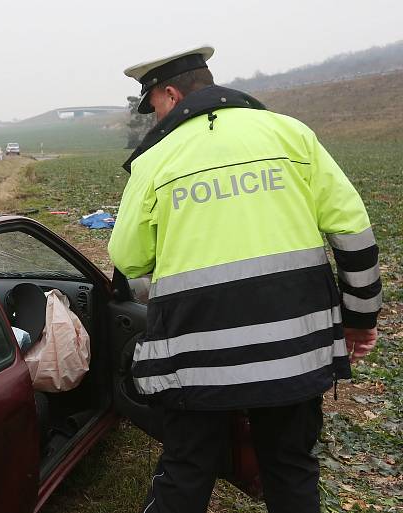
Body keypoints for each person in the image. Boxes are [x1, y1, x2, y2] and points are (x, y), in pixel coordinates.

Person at [108, 46, 381, 513]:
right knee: (292, 471)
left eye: (152, 103)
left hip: (196, 357)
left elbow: (129, 259)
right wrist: (359, 319)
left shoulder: (156, 159)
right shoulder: (292, 134)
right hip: (294, 350)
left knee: (186, 470)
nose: (152, 115)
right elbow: (354, 232)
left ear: (170, 94)